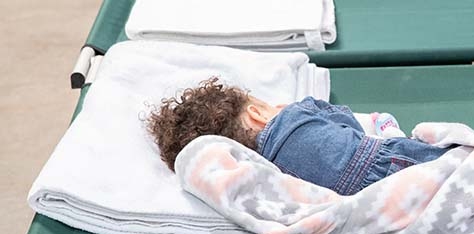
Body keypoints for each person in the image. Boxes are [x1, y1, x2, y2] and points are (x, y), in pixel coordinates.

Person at [147, 77, 451, 195]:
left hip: (368, 197)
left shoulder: (261, 174)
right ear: (257, 114)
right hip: (388, 159)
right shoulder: (293, 114)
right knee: (456, 161)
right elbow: (345, 121)